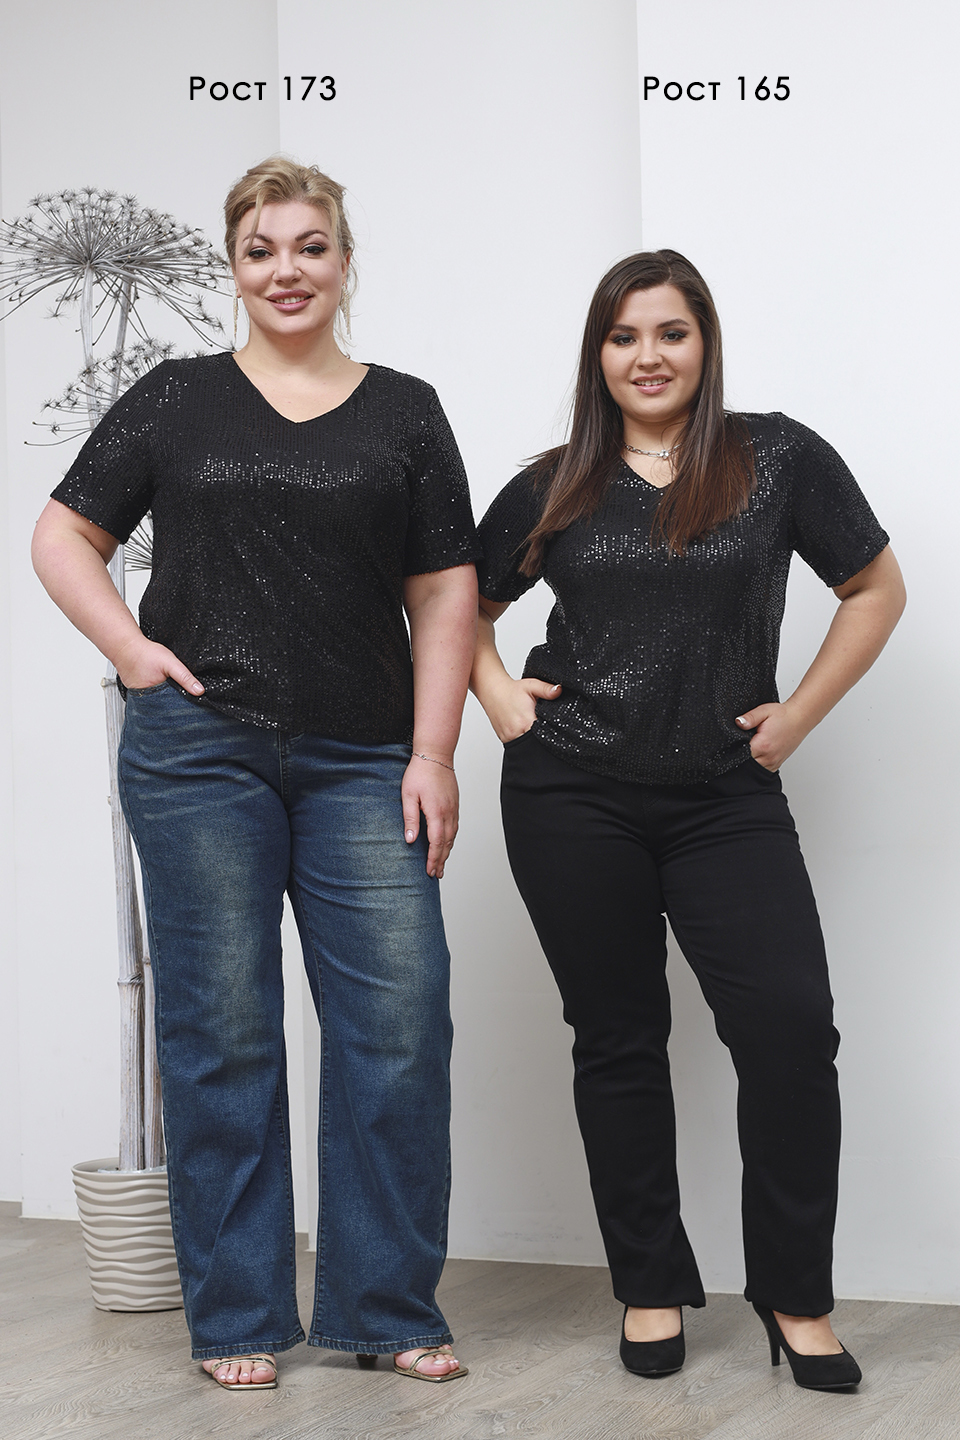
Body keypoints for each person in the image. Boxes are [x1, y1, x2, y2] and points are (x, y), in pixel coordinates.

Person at [32, 157, 479, 1390]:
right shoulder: (177, 398)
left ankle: (385, 1306)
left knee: (398, 1026)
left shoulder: (405, 411)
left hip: (365, 759)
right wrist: (132, 652)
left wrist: (435, 750)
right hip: (198, 755)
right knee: (223, 1033)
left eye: (310, 246)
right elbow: (63, 534)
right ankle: (236, 1318)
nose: (287, 270)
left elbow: (445, 590)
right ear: (234, 269)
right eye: (261, 250)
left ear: (345, 261)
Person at [470, 250, 905, 1391]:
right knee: (618, 1038)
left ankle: (795, 1298)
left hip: (725, 796)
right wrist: (499, 694)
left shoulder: (777, 459)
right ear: (597, 354)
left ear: (705, 343)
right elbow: (452, 598)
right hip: (571, 793)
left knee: (790, 1033)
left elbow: (876, 588)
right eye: (624, 336)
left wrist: (795, 718)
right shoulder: (555, 482)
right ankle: (650, 1284)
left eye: (671, 332)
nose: (648, 356)